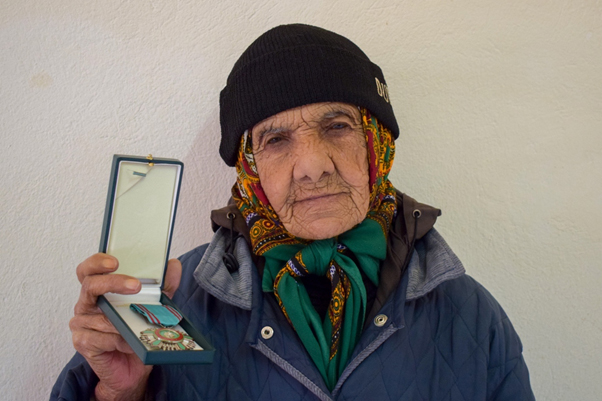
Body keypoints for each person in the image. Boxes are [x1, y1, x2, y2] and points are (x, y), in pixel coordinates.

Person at [51, 24, 535, 401]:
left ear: (376, 145)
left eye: (338, 126)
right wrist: (121, 391)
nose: (311, 167)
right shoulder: (169, 308)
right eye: (276, 140)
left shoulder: (469, 315)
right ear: (249, 168)